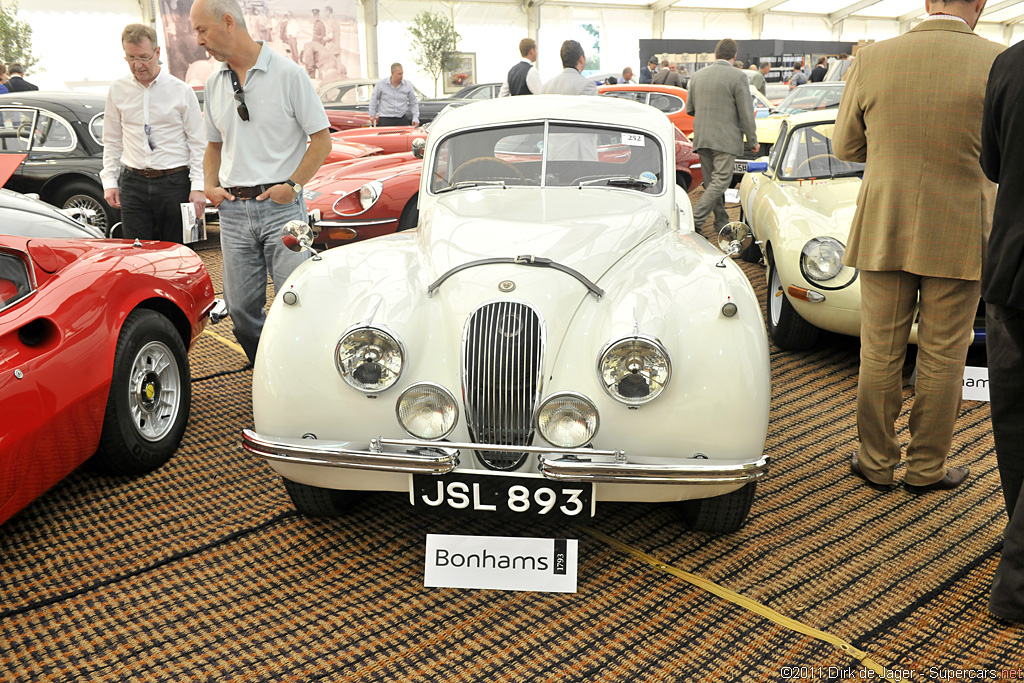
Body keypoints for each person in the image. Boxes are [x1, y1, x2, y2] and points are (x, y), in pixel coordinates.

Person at [833, 0, 1001, 494]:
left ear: (927, 3)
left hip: (886, 221)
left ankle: (876, 462)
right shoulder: (998, 61)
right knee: (946, 354)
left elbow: (846, 147)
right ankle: (927, 469)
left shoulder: (873, 57)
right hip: (963, 226)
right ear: (981, 5)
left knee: (879, 350)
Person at [190, 0, 331, 365]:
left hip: (282, 208)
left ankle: (301, 378)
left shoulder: (288, 74)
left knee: (296, 301)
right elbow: (213, 146)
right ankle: (268, 370)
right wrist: (209, 184)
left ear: (227, 22)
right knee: (239, 310)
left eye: (202, 30)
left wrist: (293, 186)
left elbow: (322, 140)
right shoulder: (214, 82)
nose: (199, 40)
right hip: (234, 214)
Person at [980, 38, 1024, 623]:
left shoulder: (1011, 63)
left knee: (1013, 420)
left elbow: (992, 163)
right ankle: (1016, 583)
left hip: (1010, 267)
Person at [101, 24, 206, 243]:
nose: (137, 65)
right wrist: (109, 180)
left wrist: (198, 187)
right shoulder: (117, 89)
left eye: (144, 57)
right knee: (137, 255)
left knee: (181, 255)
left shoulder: (181, 90)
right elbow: (112, 138)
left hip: (176, 183)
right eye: (130, 58)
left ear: (157, 53)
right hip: (133, 184)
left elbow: (198, 142)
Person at [685, 38, 757, 236]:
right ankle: (694, 218)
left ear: (715, 54)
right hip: (725, 139)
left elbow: (690, 109)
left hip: (701, 137)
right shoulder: (738, 76)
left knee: (712, 184)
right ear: (735, 56)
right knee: (720, 183)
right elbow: (746, 112)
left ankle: (721, 223)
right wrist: (753, 140)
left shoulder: (697, 76)